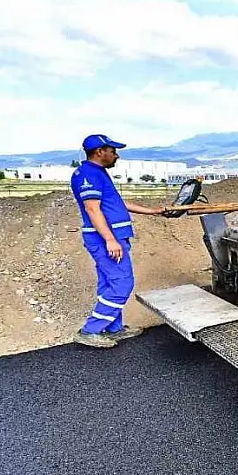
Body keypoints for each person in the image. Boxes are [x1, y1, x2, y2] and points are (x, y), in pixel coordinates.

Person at [71, 134, 164, 348]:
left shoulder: (97, 173)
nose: (116, 155)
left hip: (112, 237)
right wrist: (110, 240)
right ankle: (90, 330)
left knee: (109, 283)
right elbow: (92, 209)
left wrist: (152, 211)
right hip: (105, 239)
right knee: (122, 283)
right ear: (100, 152)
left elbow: (117, 203)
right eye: (113, 151)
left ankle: (113, 328)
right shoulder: (88, 175)